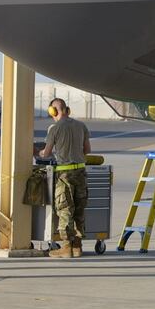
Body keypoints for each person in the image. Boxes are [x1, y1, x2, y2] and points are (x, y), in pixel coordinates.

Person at [39, 98, 91, 258]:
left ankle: (66, 247)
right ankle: (77, 246)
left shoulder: (54, 128)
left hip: (64, 175)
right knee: (79, 209)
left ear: (53, 111)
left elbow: (46, 153)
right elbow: (87, 150)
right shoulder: (81, 126)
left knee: (65, 210)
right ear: (67, 109)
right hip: (81, 173)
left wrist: (39, 152)